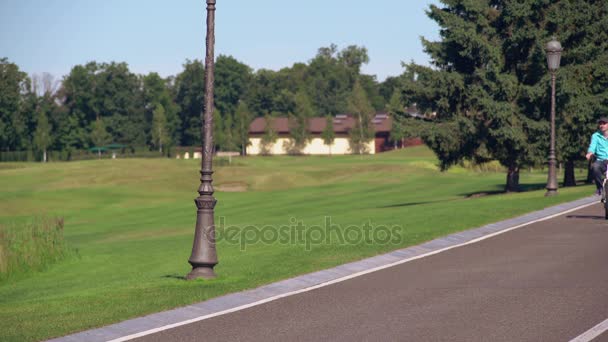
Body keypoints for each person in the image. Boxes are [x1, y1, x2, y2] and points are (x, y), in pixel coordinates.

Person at [586, 117, 608, 195]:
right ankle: (600, 188)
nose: (602, 125)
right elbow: (592, 146)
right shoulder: (595, 136)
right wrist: (590, 153)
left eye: (604, 123)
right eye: (600, 124)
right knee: (595, 167)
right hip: (601, 160)